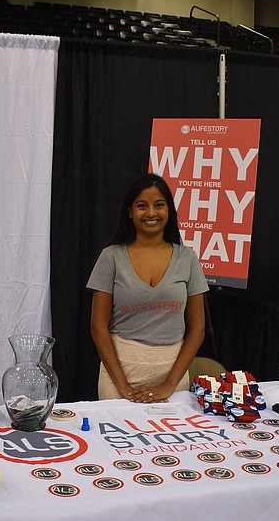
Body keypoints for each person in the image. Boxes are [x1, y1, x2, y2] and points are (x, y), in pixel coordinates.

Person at [87, 173, 209, 403]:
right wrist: (123, 387)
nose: (151, 213)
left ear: (169, 211)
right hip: (118, 377)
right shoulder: (110, 257)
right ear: (130, 212)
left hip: (173, 381)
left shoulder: (188, 258)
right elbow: (98, 327)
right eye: (142, 206)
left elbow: (198, 330)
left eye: (159, 205)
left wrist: (169, 385)